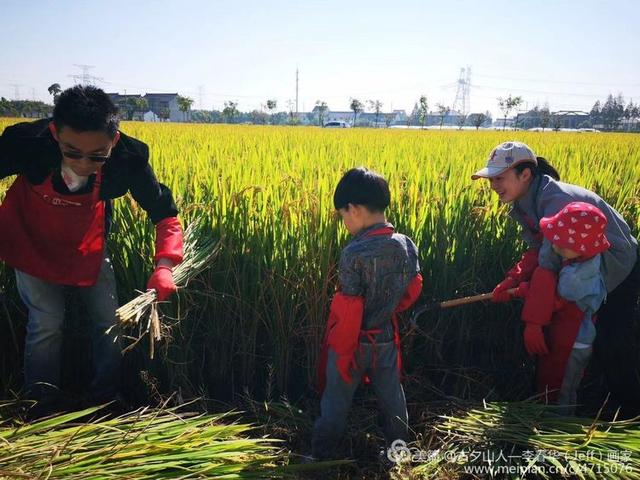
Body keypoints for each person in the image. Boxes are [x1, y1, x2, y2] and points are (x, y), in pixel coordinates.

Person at [0, 85, 184, 415]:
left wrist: (165, 264)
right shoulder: (26, 143)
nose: (85, 164)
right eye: (72, 152)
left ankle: (104, 400)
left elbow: (165, 213)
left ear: (113, 141)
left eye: (98, 155)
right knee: (47, 321)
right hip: (29, 241)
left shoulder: (128, 158)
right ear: (55, 133)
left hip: (87, 245)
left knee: (108, 321)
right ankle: (40, 407)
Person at [472, 141, 639, 417]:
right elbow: (540, 251)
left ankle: (631, 414)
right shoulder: (528, 201)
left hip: (616, 267)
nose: (494, 185)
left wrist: (533, 317)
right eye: (491, 179)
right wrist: (512, 278)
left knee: (611, 344)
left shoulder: (556, 203)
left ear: (525, 174)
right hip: (580, 269)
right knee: (582, 341)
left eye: (499, 178)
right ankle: (584, 405)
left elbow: (550, 268)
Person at [312, 167, 423, 460]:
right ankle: (399, 452)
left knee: (336, 399)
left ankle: (321, 455)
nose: (344, 222)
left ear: (355, 210)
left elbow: (349, 307)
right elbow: (414, 288)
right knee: (392, 398)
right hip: (386, 337)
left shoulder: (353, 252)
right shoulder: (406, 245)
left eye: (343, 215)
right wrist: (388, 308)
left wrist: (343, 351)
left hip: (354, 340)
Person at [511, 202, 609, 414]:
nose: (555, 248)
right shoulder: (585, 259)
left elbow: (557, 301)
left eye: (562, 245)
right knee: (556, 380)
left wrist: (526, 291)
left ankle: (558, 429)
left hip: (573, 340)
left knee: (561, 385)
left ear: (582, 248)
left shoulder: (576, 278)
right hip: (569, 334)